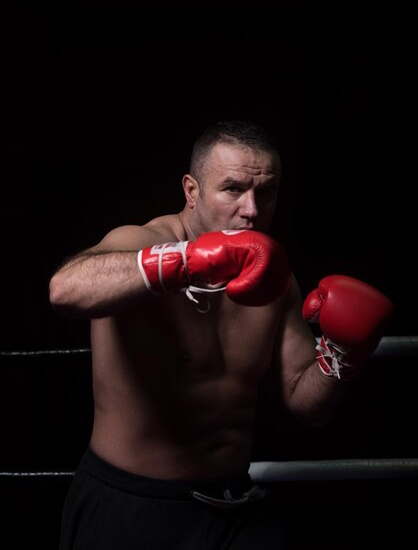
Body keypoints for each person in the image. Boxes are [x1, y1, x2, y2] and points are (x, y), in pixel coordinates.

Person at [49, 120, 394, 549]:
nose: (251, 209)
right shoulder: (138, 241)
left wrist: (343, 356)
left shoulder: (276, 280)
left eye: (265, 192)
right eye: (232, 189)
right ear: (191, 192)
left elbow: (307, 404)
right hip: (132, 506)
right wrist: (185, 261)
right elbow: (65, 289)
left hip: (233, 507)